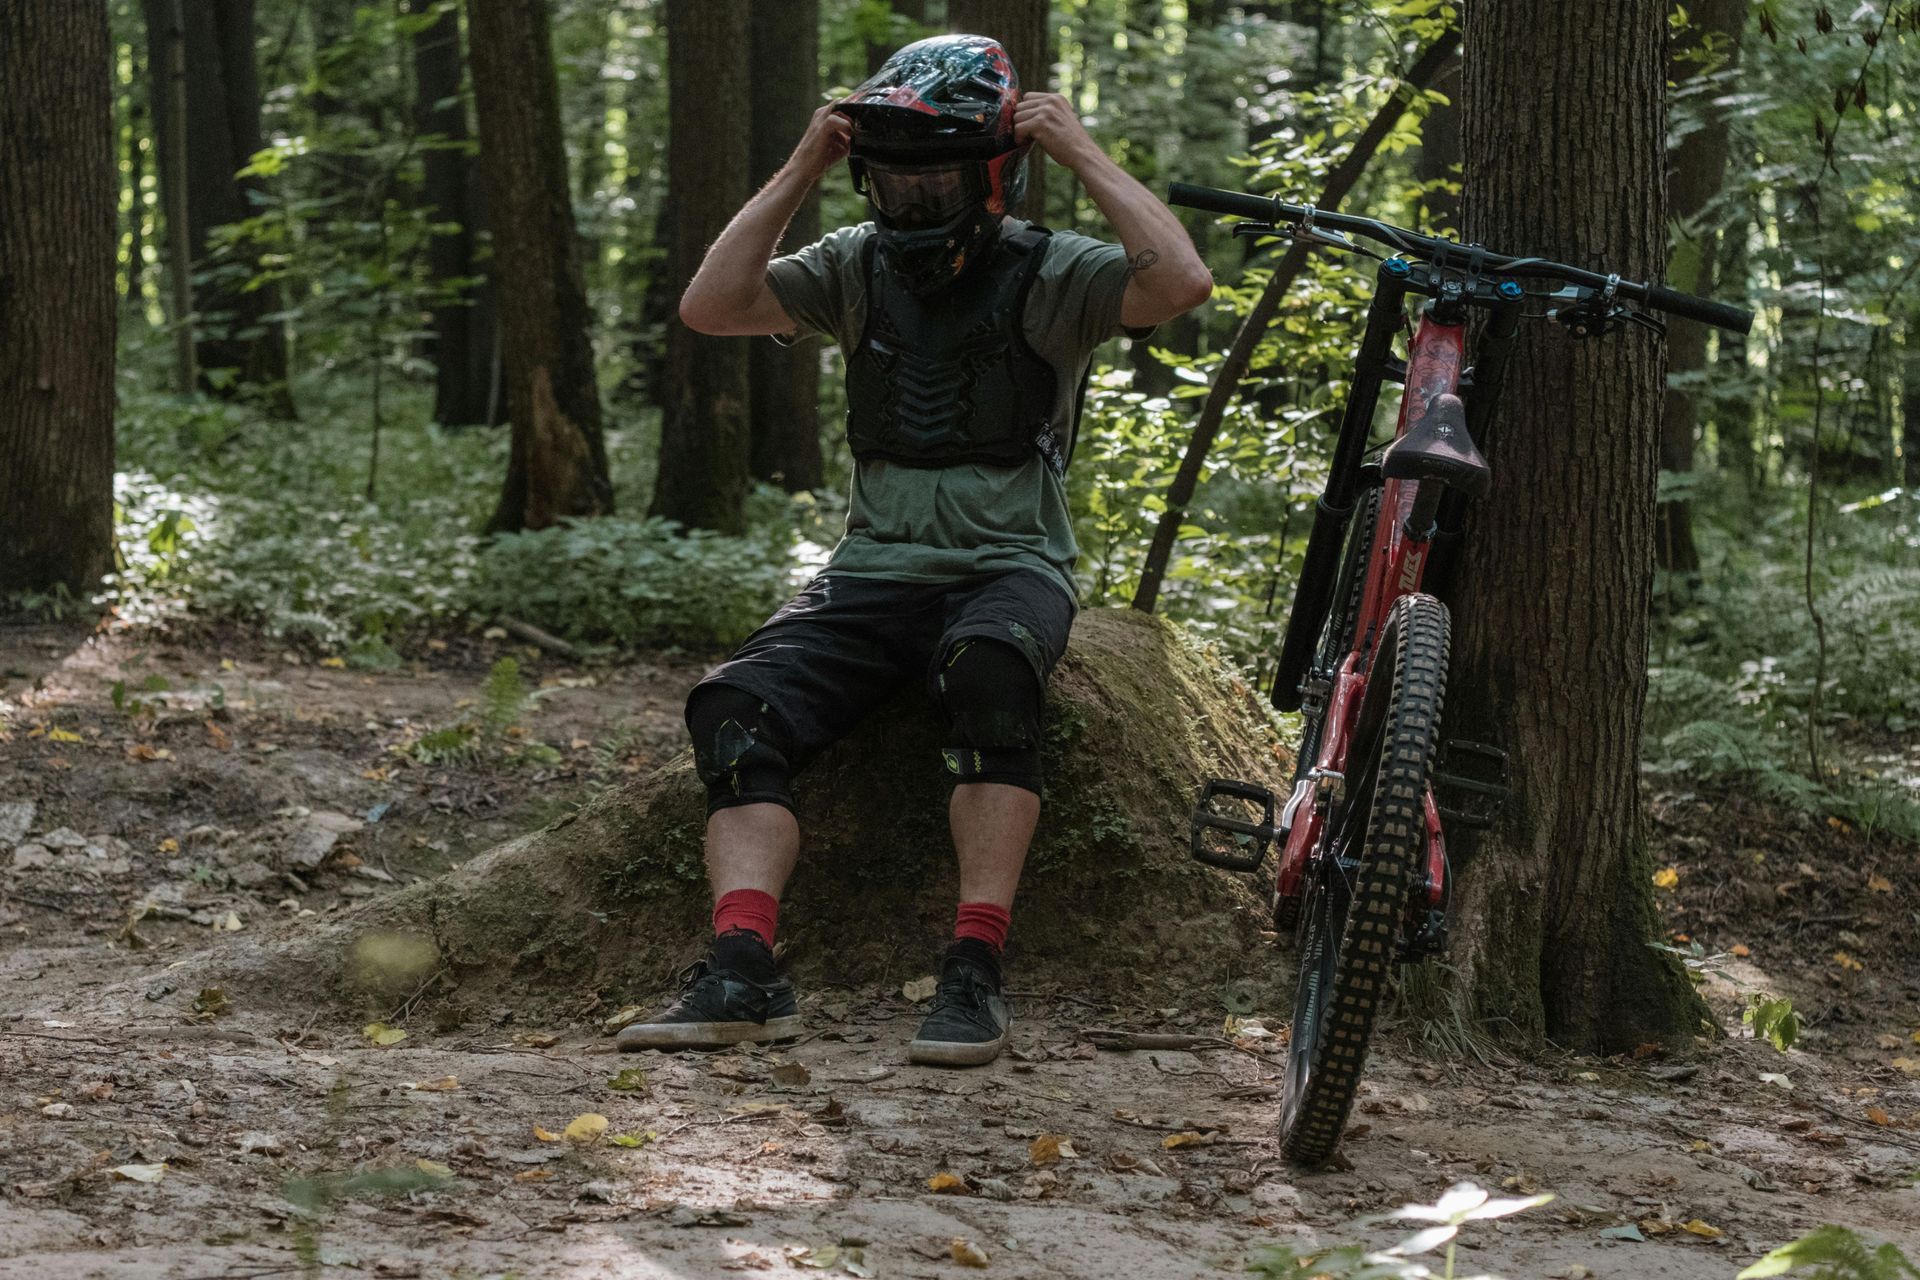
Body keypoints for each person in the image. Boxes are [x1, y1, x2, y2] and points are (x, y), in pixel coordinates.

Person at [617, 35, 1211, 1066]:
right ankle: (743, 967)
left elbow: (1180, 285)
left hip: (1010, 567)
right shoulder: (852, 265)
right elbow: (711, 306)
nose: (912, 197)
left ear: (989, 173)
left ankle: (973, 968)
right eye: (893, 175)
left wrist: (1082, 152)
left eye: (935, 174)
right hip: (871, 572)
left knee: (987, 673)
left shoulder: (1052, 270)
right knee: (733, 709)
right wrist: (803, 164)